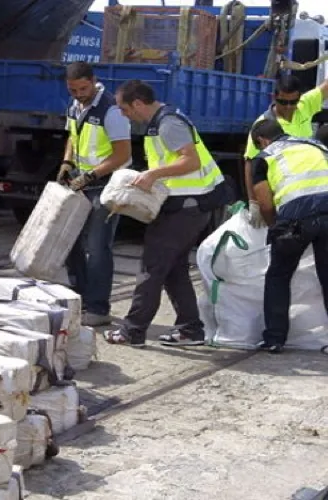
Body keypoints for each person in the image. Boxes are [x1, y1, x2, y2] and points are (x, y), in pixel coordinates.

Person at [104, 79, 226, 347]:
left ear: (138, 103)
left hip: (186, 206)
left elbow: (190, 160)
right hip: (188, 205)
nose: (124, 115)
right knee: (174, 269)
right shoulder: (159, 122)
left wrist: (153, 174)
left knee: (152, 267)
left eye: (124, 109)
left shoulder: (168, 123)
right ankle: (190, 330)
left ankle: (132, 331)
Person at [57, 61, 132, 327]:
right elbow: (72, 136)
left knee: (98, 247)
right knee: (70, 242)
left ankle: (98, 308)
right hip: (82, 183)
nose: (79, 94)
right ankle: (79, 299)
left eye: (83, 89)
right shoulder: (75, 106)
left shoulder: (111, 110)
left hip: (106, 186)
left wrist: (90, 176)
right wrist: (67, 162)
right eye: (73, 90)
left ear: (93, 81)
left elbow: (123, 154)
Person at [248, 119, 328, 353]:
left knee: (278, 276)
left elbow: (265, 203)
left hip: (295, 218)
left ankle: (275, 339)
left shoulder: (265, 157)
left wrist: (275, 227)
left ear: (262, 140)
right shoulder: (315, 145)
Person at [243, 75, 328, 228]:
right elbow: (251, 164)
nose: (288, 107)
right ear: (274, 97)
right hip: (287, 191)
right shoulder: (264, 126)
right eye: (283, 102)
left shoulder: (305, 105)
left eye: (293, 102)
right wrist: (254, 202)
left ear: (299, 98)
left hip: (314, 186)